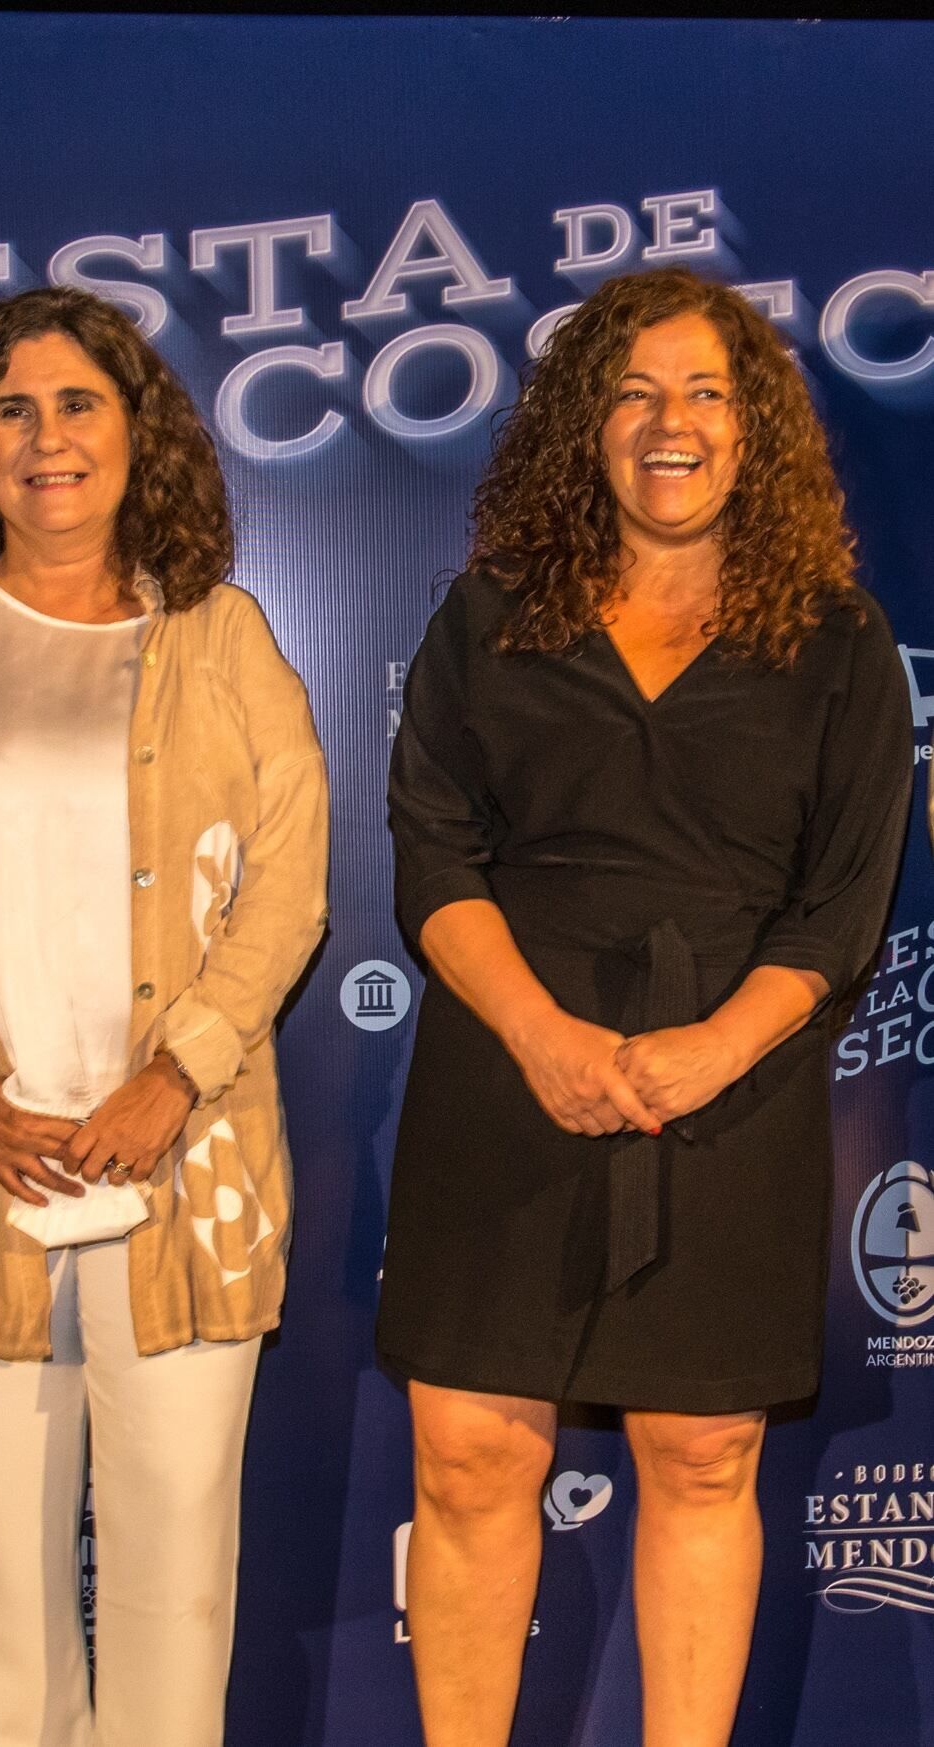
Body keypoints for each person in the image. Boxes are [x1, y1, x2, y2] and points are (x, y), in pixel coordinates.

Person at [378, 266, 912, 1747]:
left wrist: (709, 1051)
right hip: (507, 1069)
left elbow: (842, 902)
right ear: (584, 427)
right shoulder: (487, 622)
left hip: (731, 1086)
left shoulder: (840, 642)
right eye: (633, 392)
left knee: (699, 1454)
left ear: (755, 434)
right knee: (474, 1456)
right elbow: (433, 854)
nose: (668, 424)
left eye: (705, 394)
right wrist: (545, 1037)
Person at [0, 286, 329, 1747]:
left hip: (183, 1174)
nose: (47, 438)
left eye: (79, 402)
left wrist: (180, 1074)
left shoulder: (223, 637)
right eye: (10, 409)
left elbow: (288, 886)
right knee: (5, 1631)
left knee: (176, 1605)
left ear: (135, 430)